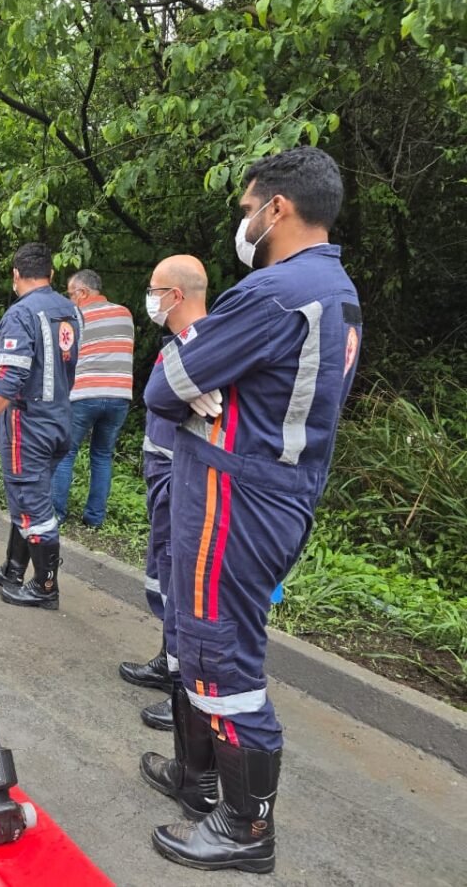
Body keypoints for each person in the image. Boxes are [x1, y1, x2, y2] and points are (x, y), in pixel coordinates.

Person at [140, 147, 362, 874]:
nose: (243, 221)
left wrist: (195, 385)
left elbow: (168, 385)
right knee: (195, 631)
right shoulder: (335, 289)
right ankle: (197, 779)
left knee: (220, 650)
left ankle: (244, 826)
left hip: (238, 497)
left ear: (278, 208)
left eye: (246, 208)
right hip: (269, 489)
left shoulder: (274, 291)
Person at [118, 256, 209, 733]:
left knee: (179, 577)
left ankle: (184, 692)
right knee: (163, 571)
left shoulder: (206, 344)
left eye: (154, 290)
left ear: (176, 295)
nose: (149, 298)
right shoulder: (179, 342)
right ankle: (168, 659)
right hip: (163, 474)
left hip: (183, 479)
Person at [0, 243, 81, 610]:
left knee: (31, 502)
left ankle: (45, 587)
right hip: (61, 419)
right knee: (28, 497)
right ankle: (14, 568)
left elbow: (10, 377)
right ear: (50, 274)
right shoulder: (70, 310)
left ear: (16, 275)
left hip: (28, 424)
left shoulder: (21, 312)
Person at [50, 269, 134, 526]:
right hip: (120, 396)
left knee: (66, 452)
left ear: (83, 292)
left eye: (71, 293)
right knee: (102, 455)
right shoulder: (125, 313)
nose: (69, 299)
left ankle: (56, 514)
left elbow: (64, 355)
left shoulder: (75, 317)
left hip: (84, 394)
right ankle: (95, 518)